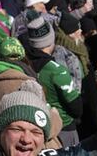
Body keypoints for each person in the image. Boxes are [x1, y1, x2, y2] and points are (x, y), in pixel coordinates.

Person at [26, 12, 83, 147]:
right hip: (63, 130)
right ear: (50, 39)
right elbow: (76, 108)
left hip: (36, 126)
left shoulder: (26, 65)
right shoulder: (57, 71)